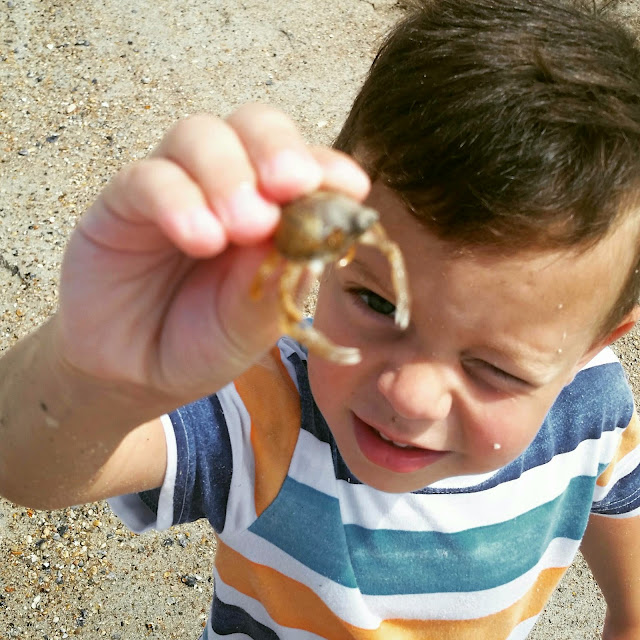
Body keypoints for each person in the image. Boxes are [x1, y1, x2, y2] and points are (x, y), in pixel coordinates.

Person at [1, 0, 639, 637]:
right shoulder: (263, 418)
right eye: (376, 303)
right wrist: (92, 372)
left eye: (495, 368)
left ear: (594, 344)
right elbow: (21, 464)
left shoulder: (594, 415)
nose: (409, 396)